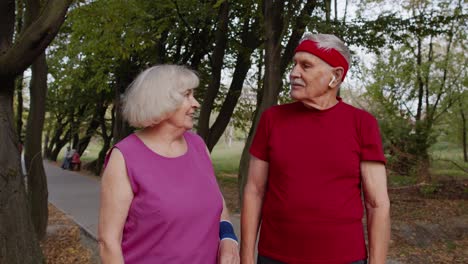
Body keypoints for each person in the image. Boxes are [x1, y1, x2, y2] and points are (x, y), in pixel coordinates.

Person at [241, 33, 390, 264]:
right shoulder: (272, 119)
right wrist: (246, 258)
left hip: (344, 258)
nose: (294, 73)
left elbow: (377, 203)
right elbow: (254, 191)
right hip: (275, 257)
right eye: (295, 64)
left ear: (336, 76)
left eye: (306, 66)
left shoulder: (362, 124)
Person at [98, 65, 240, 264]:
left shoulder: (198, 146)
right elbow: (108, 243)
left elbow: (219, 205)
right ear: (162, 101)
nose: (196, 103)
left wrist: (228, 238)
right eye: (187, 95)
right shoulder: (124, 157)